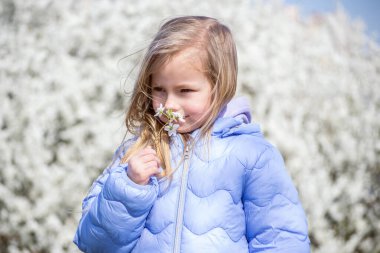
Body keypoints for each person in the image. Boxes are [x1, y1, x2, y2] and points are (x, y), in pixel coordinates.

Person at [74, 16, 310, 252]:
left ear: (220, 87)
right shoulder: (138, 151)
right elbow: (94, 243)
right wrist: (129, 187)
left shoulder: (252, 155)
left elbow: (282, 239)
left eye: (184, 90)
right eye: (159, 90)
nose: (169, 105)